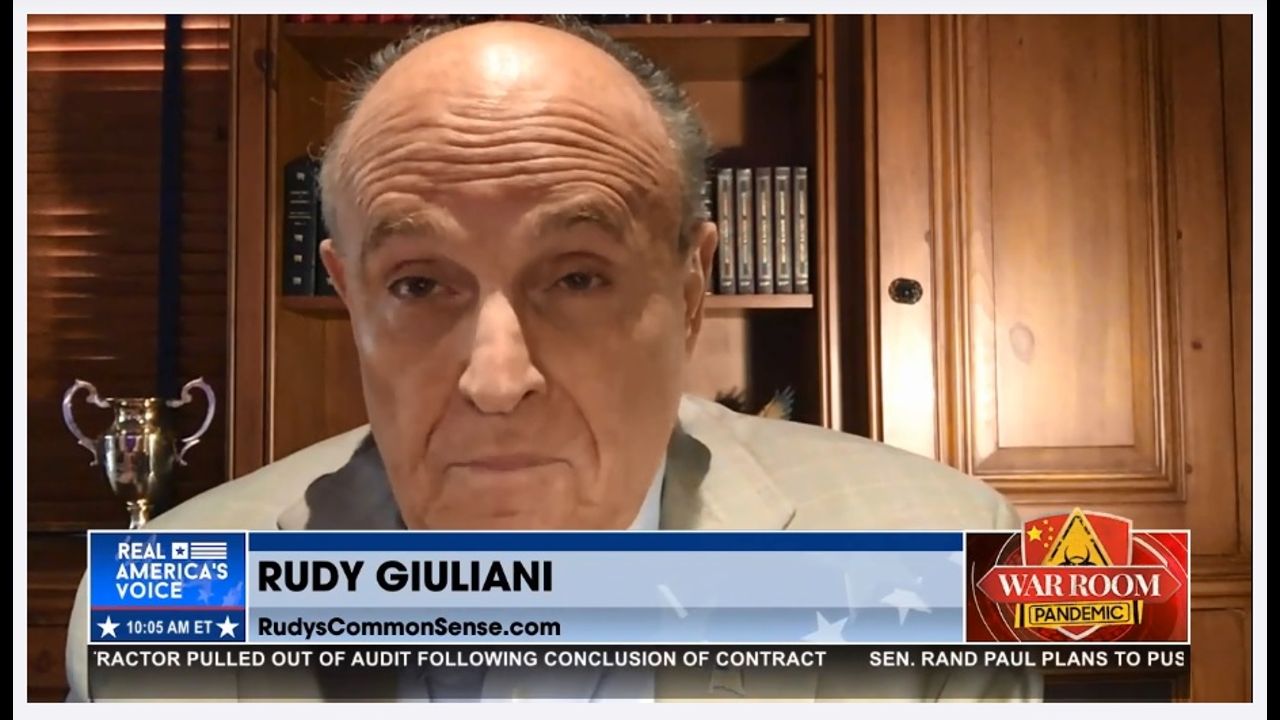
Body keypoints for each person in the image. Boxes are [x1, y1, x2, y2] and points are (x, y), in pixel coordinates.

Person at [65, 18, 1037, 702]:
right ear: (351, 296)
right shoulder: (162, 602)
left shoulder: (945, 564)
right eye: (417, 284)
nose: (496, 383)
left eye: (577, 278)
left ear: (688, 292)